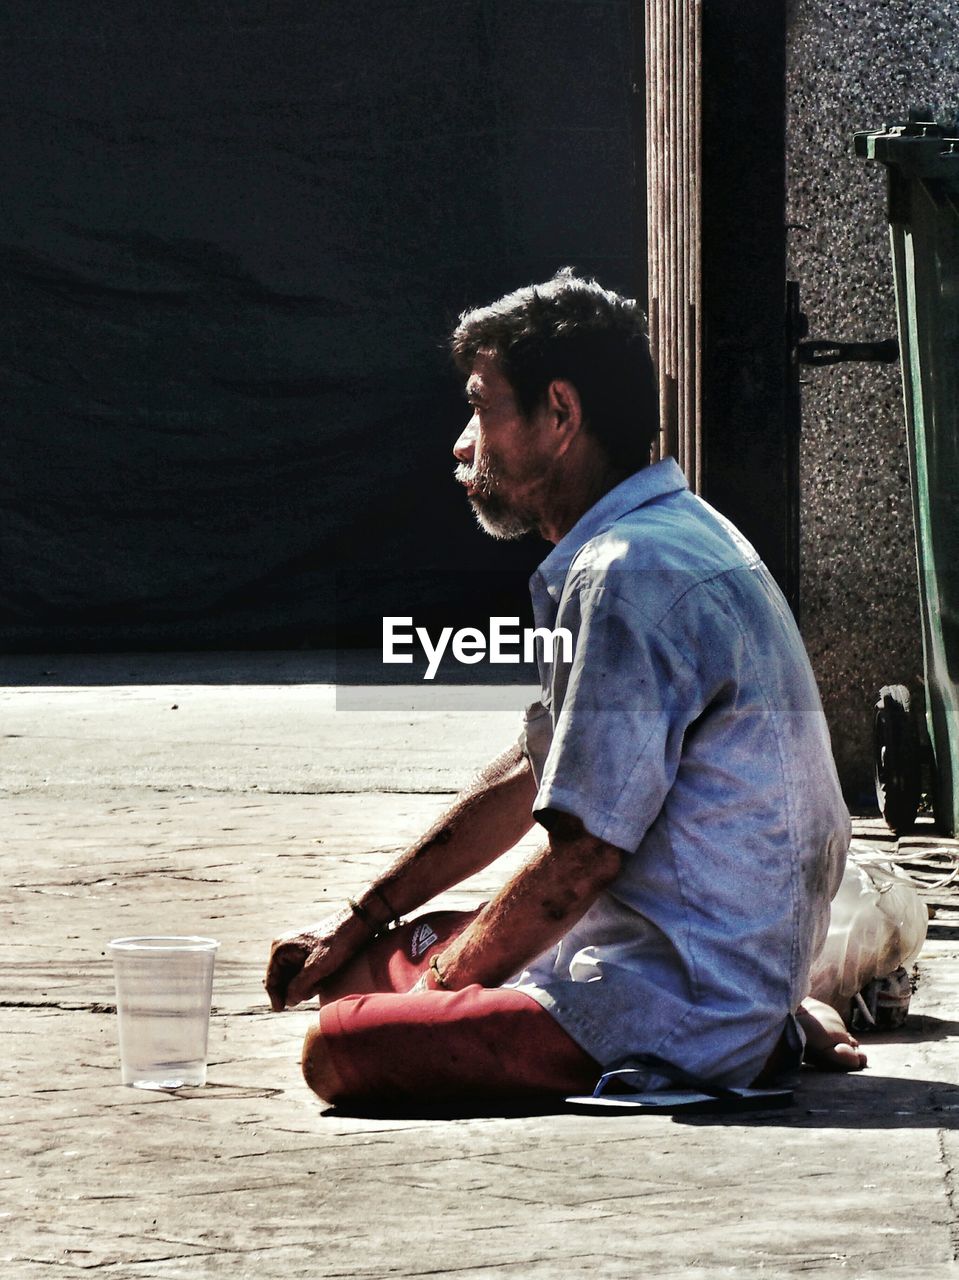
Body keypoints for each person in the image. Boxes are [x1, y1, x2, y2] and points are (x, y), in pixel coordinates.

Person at [265, 269, 864, 1107]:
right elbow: (533, 769)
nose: (461, 444)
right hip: (675, 954)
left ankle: (755, 1033)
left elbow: (579, 858)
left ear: (559, 413)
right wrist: (360, 918)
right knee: (357, 968)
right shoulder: (659, 533)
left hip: (678, 992)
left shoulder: (628, 572)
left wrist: (435, 991)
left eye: (480, 407)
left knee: (338, 1049)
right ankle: (771, 1022)